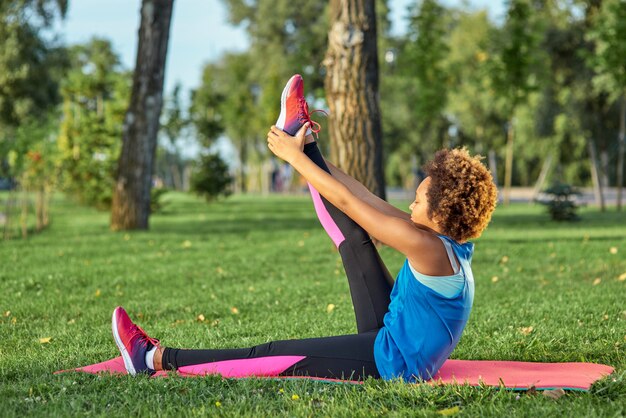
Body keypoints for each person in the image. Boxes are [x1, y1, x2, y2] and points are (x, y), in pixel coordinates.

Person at [112, 75, 497, 382]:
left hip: (392, 364)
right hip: (393, 333)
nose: (411, 202)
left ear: (442, 211)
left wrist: (294, 159)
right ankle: (303, 131)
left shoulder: (426, 247)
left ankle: (151, 358)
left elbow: (350, 204)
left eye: (419, 199)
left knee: (277, 352)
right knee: (358, 242)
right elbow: (362, 195)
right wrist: (310, 151)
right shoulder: (441, 241)